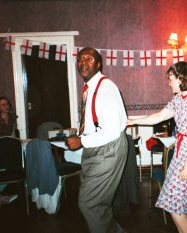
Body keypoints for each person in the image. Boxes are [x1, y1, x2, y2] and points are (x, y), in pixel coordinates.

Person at [127, 61, 187, 233]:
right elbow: (159, 116)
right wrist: (133, 121)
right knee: (174, 203)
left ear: (181, 78)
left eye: (170, 79)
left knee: (174, 203)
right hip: (182, 151)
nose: (168, 83)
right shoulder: (178, 99)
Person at [66, 47, 128, 233]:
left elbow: (113, 130)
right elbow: (97, 122)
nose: (83, 62)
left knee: (89, 203)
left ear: (99, 64)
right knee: (97, 203)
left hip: (108, 149)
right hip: (98, 148)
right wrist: (82, 133)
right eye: (80, 59)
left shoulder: (105, 87)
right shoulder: (90, 88)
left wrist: (81, 142)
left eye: (89, 59)